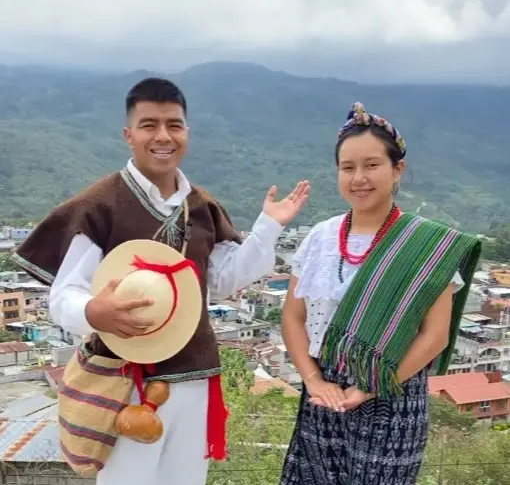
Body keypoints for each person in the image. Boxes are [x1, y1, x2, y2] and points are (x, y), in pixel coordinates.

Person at [12, 77, 310, 485]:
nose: (163, 136)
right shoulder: (99, 206)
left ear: (186, 131)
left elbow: (219, 281)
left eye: (174, 124)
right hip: (124, 377)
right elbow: (65, 294)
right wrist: (94, 311)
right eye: (149, 124)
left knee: (187, 477)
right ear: (128, 134)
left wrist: (268, 229)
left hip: (194, 372)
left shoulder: (202, 206)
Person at [279, 102, 481, 485]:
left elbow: (434, 335)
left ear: (397, 169)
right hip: (324, 391)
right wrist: (312, 380)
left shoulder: (425, 245)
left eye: (372, 165)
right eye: (347, 167)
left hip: (393, 392)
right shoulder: (320, 236)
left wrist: (368, 388)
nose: (359, 178)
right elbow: (292, 316)